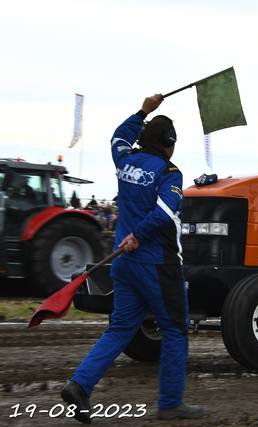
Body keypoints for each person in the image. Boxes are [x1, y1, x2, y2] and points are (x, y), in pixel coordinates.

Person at [60, 94, 204, 423]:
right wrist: (139, 236)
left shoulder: (124, 159)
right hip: (157, 264)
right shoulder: (169, 172)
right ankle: (170, 403)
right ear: (169, 144)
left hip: (124, 265)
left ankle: (79, 385)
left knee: (121, 328)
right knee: (176, 330)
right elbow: (166, 212)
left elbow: (118, 136)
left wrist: (143, 111)